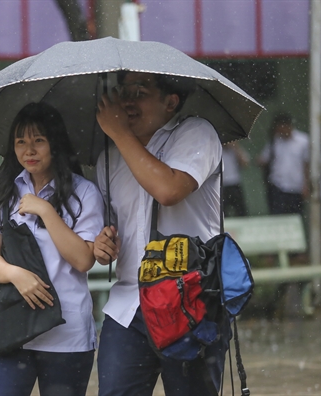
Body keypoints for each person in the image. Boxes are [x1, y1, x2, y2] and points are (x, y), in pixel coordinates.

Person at [93, 71, 226, 395]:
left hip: (189, 302)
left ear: (171, 102)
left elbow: (168, 189)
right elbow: (109, 225)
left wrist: (120, 133)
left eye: (140, 91)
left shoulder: (197, 133)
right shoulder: (108, 159)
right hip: (128, 306)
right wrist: (101, 243)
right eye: (123, 91)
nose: (127, 100)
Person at [0, 102, 104, 396]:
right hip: (11, 325)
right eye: (20, 142)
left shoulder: (83, 193)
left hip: (66, 331)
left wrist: (47, 211)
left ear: (55, 144)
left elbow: (83, 260)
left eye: (38, 141)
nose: (28, 150)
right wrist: (14, 274)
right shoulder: (2, 190)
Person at [257, 112, 310, 216]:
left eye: (281, 129)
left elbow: (307, 164)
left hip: (296, 186)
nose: (279, 132)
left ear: (287, 126)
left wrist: (306, 185)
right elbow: (263, 159)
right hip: (277, 185)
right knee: (277, 216)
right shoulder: (274, 141)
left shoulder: (303, 141)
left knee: (295, 217)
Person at [222, 141, 250, 216]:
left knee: (241, 211)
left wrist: (235, 147)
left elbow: (245, 163)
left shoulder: (234, 150)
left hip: (234, 184)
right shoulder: (216, 150)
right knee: (222, 213)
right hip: (220, 185)